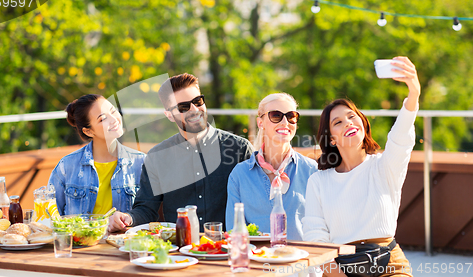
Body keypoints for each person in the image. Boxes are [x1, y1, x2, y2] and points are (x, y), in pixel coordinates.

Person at [302, 57, 419, 276]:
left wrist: (413, 93)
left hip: (390, 263)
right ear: (332, 140)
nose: (347, 122)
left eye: (351, 116)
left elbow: (400, 137)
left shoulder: (384, 166)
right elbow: (315, 239)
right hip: (340, 266)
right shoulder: (318, 181)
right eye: (338, 122)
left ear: (363, 124)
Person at [108, 73, 254, 232]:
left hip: (227, 248)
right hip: (178, 251)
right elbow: (146, 209)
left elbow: (256, 203)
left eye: (198, 102)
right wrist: (128, 218)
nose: (194, 110)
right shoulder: (157, 157)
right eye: (183, 107)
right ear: (169, 115)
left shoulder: (240, 148)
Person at [226, 93, 317, 240]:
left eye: (291, 116)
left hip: (302, 259)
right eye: (276, 115)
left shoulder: (312, 170)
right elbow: (234, 231)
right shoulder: (239, 175)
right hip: (256, 259)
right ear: (260, 123)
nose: (285, 122)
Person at [48, 94, 146, 215]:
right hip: (79, 234)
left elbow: (148, 212)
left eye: (113, 111)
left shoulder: (141, 162)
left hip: (126, 234)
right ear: (88, 131)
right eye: (103, 118)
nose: (114, 119)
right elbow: (49, 215)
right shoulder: (66, 166)